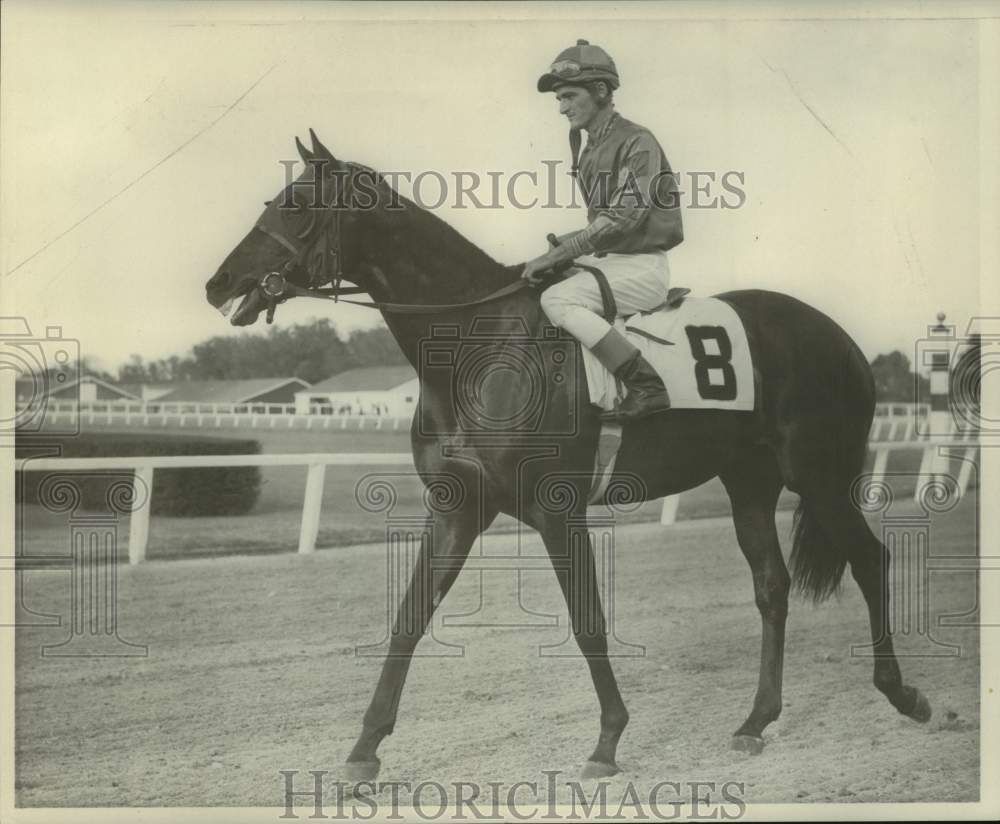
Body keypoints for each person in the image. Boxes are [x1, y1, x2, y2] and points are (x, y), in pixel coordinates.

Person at [522, 39, 684, 421]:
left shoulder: (635, 139)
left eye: (569, 96)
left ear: (599, 91)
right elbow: (606, 223)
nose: (562, 108)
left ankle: (647, 385)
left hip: (642, 268)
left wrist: (561, 252)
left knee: (557, 301)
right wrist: (564, 247)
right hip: (615, 263)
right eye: (558, 99)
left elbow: (624, 218)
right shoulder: (592, 145)